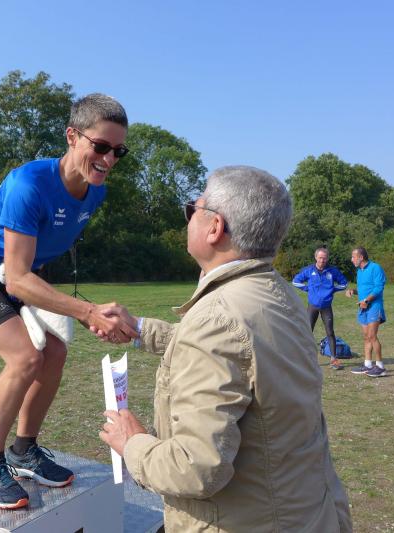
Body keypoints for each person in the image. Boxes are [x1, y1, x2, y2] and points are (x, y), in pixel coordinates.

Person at [96, 166, 352, 532]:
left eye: (193, 208)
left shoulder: (217, 320)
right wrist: (138, 329)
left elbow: (195, 468)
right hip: (304, 512)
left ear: (215, 227)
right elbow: (239, 352)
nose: (188, 217)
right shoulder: (277, 294)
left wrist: (132, 444)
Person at [0, 94, 137, 509]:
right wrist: (87, 311)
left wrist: (81, 312)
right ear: (72, 136)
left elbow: (35, 258)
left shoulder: (95, 193)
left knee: (55, 352)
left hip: (17, 273)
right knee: (25, 357)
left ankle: (23, 451)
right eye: (100, 146)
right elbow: (18, 276)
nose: (108, 160)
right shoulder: (28, 184)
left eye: (118, 151)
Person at [293, 247, 349, 369]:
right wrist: (307, 289)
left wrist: (333, 290)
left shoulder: (332, 271)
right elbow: (295, 281)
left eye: (324, 258)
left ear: (327, 258)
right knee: (308, 332)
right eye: (320, 258)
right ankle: (304, 359)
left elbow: (344, 283)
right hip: (312, 306)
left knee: (330, 332)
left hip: (326, 307)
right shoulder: (309, 270)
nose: (322, 260)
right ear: (316, 257)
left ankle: (334, 359)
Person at [345, 247, 387, 377]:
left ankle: (380, 367)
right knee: (366, 336)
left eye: (353, 257)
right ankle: (367, 365)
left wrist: (367, 301)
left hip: (374, 306)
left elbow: (378, 288)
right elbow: (364, 289)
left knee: (372, 336)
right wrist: (353, 291)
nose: (352, 260)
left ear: (361, 257)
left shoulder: (375, 268)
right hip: (363, 307)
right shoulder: (359, 271)